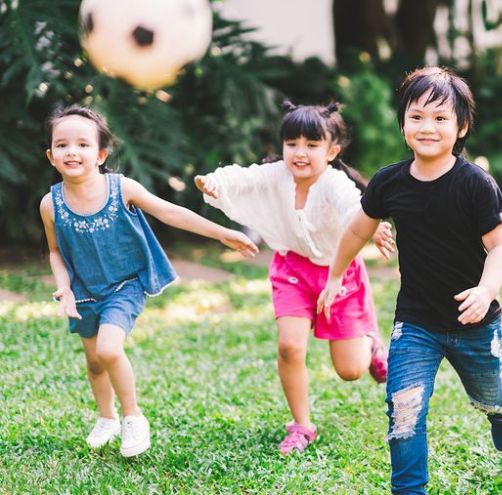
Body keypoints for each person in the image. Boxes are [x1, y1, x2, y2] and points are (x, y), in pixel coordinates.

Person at [318, 67, 502, 495]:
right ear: (403, 123)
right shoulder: (389, 182)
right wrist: (335, 275)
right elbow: (357, 230)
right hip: (416, 322)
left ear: (461, 126)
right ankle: (409, 489)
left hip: (474, 324)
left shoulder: (475, 185)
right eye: (417, 116)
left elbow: (501, 248)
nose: (427, 127)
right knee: (404, 406)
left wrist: (486, 291)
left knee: (486, 395)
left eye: (440, 118)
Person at [40, 105, 259, 457]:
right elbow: (54, 251)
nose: (72, 151)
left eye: (83, 144)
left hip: (124, 285)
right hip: (83, 291)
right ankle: (107, 417)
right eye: (62, 145)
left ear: (101, 154)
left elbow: (169, 212)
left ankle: (133, 417)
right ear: (51, 156)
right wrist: (64, 286)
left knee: (108, 350)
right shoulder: (50, 205)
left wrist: (221, 233)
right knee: (94, 362)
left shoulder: (121, 188)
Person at [194, 102, 393, 455]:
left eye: (312, 145)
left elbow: (354, 208)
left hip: (338, 271)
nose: (300, 153)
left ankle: (371, 344)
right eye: (292, 143)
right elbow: (244, 176)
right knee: (289, 346)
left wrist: (372, 229)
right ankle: (302, 425)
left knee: (350, 370)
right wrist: (214, 182)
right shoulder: (277, 176)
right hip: (291, 271)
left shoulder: (334, 182)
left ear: (332, 151)